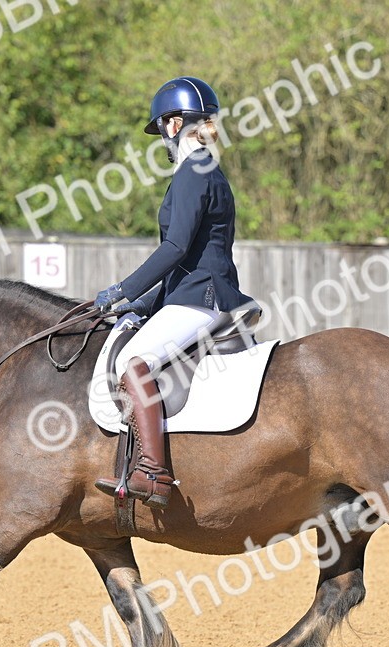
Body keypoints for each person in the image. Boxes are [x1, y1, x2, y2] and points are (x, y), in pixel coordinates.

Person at [92, 76, 255, 510]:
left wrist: (122, 291)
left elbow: (177, 247)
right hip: (196, 290)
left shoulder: (194, 170)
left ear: (172, 123)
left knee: (133, 361)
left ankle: (154, 473)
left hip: (201, 298)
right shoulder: (204, 169)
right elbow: (191, 253)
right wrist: (144, 302)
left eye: (162, 126)